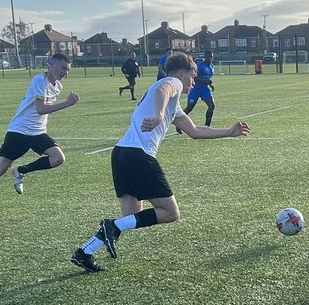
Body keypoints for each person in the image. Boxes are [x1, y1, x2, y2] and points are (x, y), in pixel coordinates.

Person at [70, 52, 250, 273]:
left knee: (131, 218)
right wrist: (158, 114)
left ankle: (84, 252)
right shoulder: (170, 82)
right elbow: (165, 90)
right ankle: (111, 226)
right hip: (139, 155)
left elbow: (194, 131)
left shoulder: (172, 103)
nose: (193, 83)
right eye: (192, 77)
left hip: (121, 154)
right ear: (182, 73)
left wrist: (228, 132)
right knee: (170, 213)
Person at [0, 53, 79, 214]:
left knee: (58, 158)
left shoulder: (58, 86)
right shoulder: (40, 80)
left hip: (38, 132)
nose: (65, 73)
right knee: (1, 168)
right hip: (19, 131)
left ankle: (21, 170)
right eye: (63, 68)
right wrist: (67, 104)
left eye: (68, 70)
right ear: (51, 65)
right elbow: (40, 109)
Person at [184, 50, 217, 126]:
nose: (209, 58)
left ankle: (207, 126)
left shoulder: (212, 66)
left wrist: (209, 84)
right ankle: (178, 124)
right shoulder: (199, 66)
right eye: (208, 56)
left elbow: (207, 79)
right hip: (195, 89)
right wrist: (205, 81)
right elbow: (194, 77)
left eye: (211, 57)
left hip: (204, 89)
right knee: (189, 108)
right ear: (204, 57)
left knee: (211, 106)